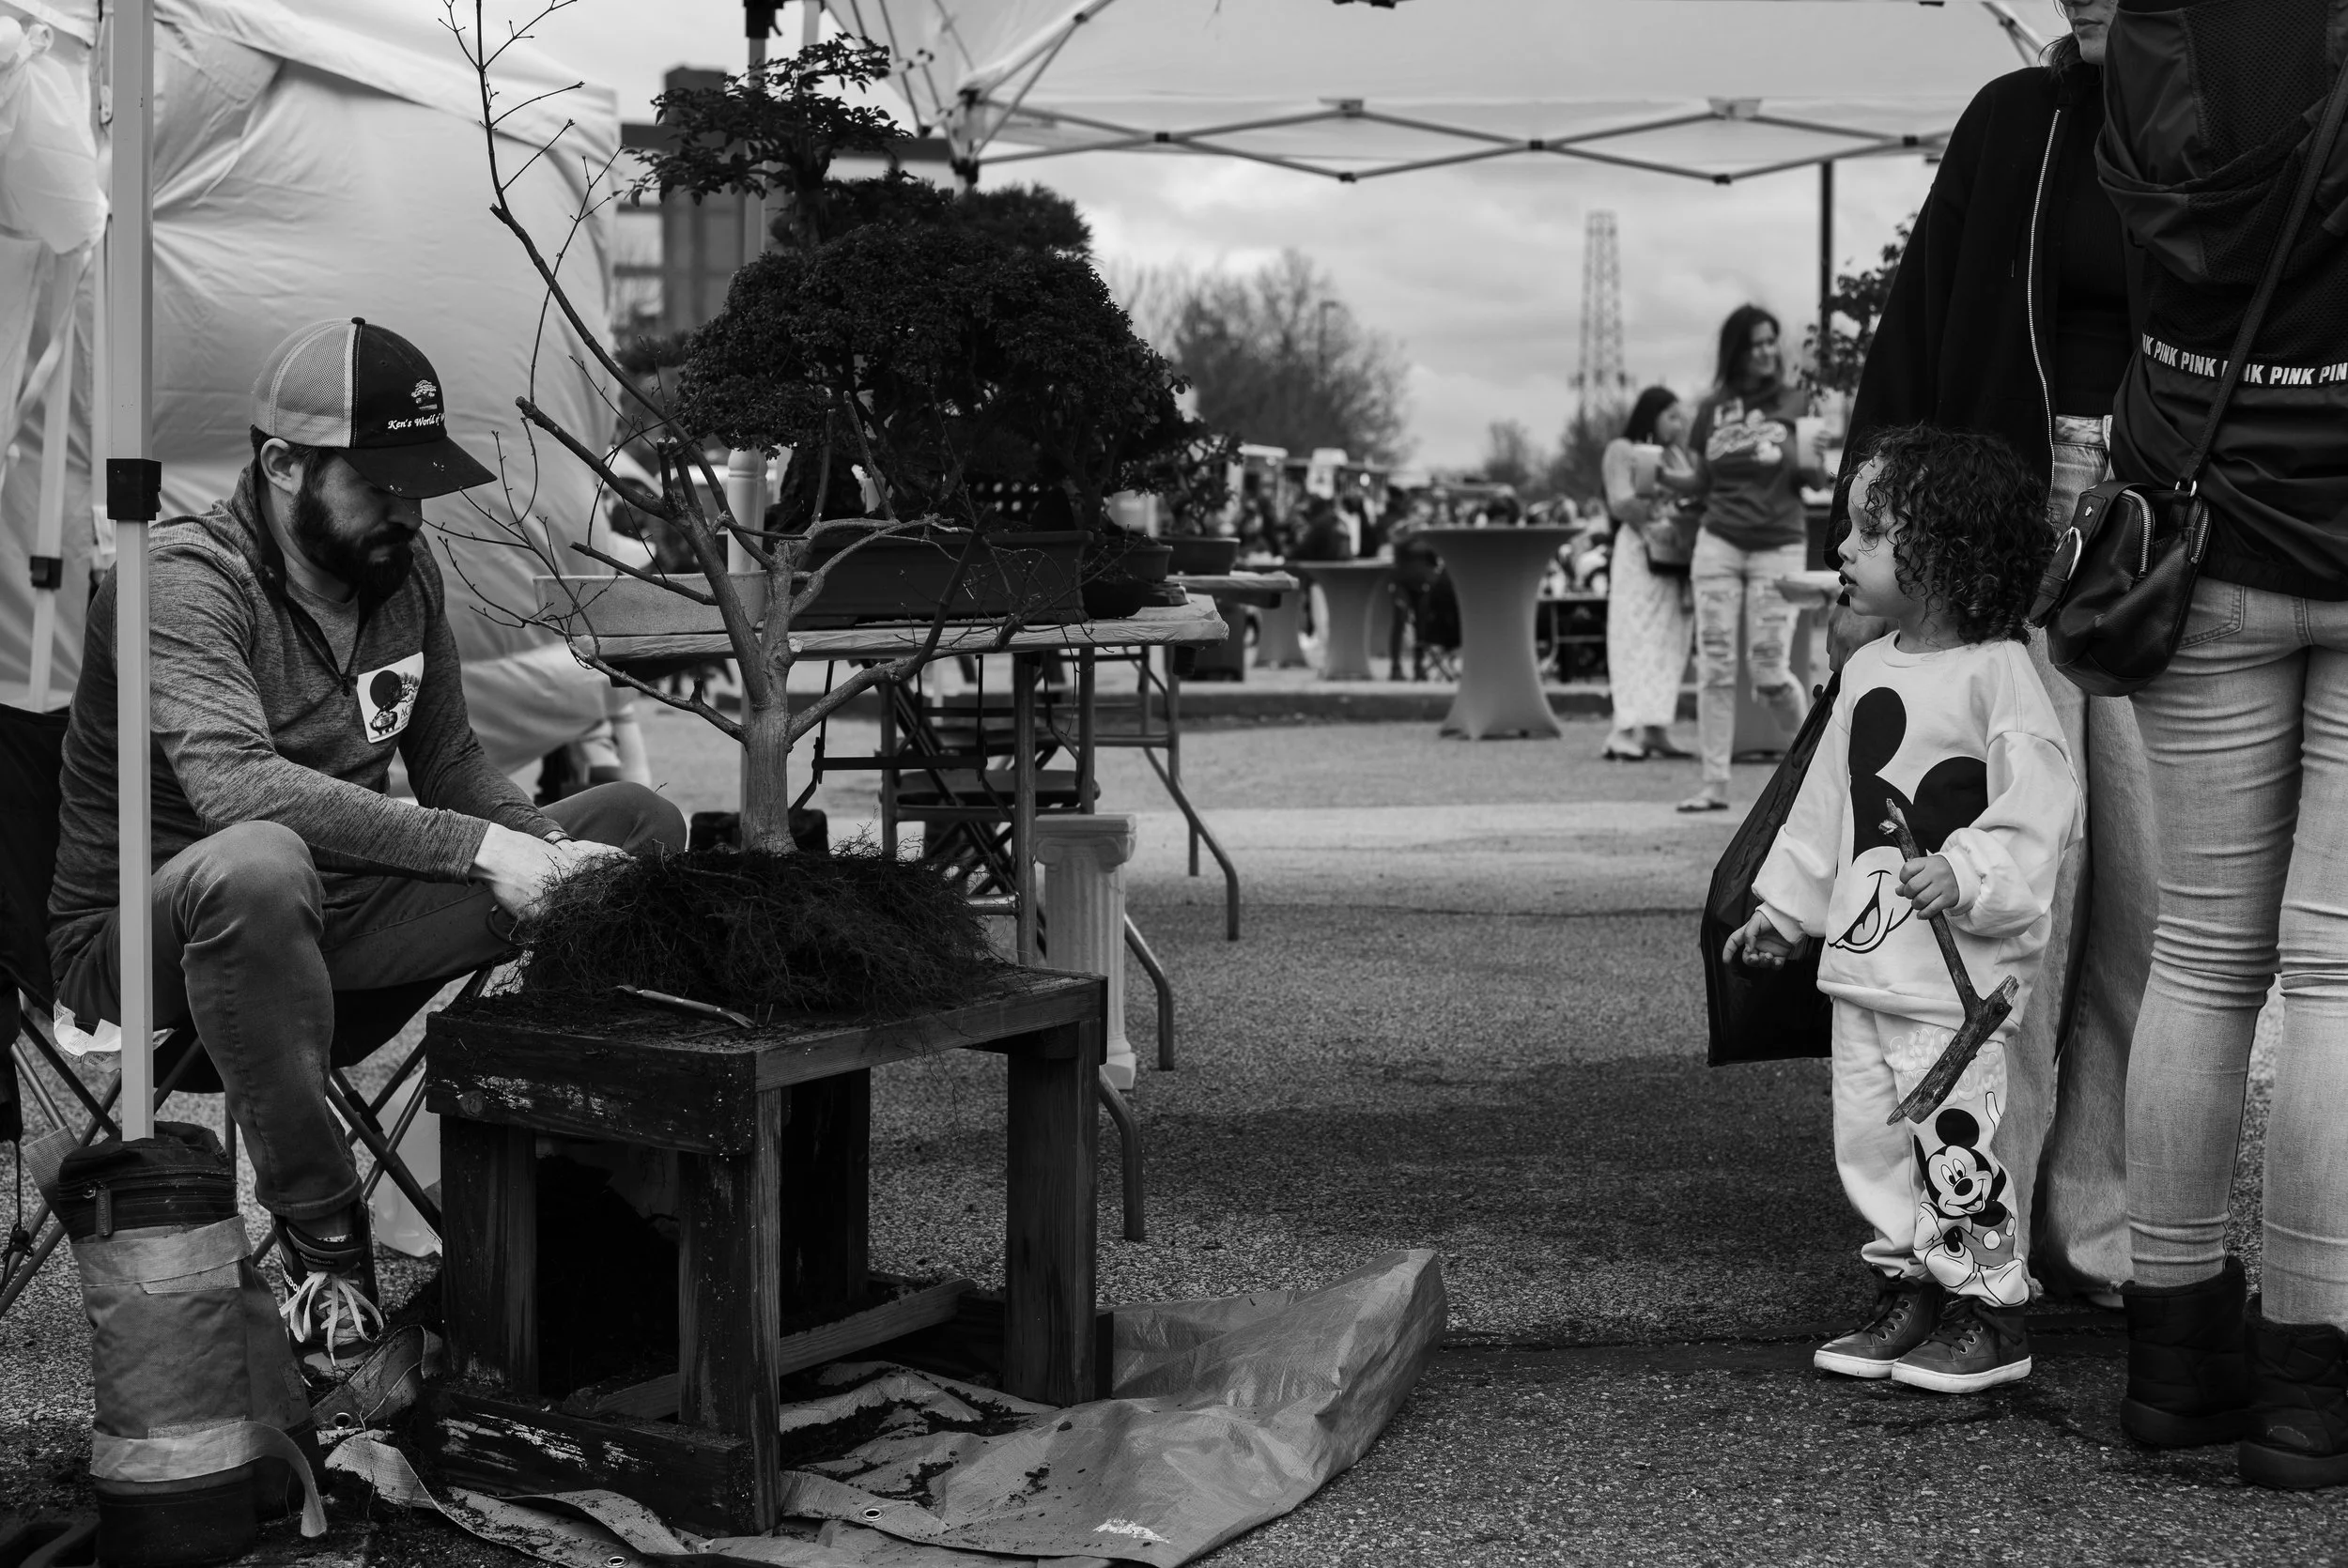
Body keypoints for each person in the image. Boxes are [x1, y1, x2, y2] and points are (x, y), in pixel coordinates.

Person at [46, 319, 687, 1368]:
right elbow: (235, 786)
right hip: (149, 940)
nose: (407, 510)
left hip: (338, 925)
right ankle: (325, 1251)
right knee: (258, 859)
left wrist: (543, 849)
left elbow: (454, 766)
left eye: (419, 482)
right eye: (379, 482)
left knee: (634, 820)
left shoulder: (400, 572)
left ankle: (585, 1189)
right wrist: (487, 855)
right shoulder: (179, 580)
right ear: (282, 464)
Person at [1833, 0, 2152, 1317]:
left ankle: (2109, 1224)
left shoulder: (2245, 135)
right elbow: (1913, 337)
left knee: (2149, 902)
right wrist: (1869, 557)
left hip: (2167, 527)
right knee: (2006, 895)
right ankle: (1977, 1226)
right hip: (2002, 529)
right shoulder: (2013, 122)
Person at [2096, 0, 2348, 1487]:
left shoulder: (2157, 25)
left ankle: (2177, 1365)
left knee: (2200, 954)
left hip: (2195, 527)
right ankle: (2317, 1379)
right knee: (2334, 965)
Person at [1725, 426, 2077, 1393]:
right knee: (1875, 1135)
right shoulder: (1870, 670)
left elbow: (2038, 810)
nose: (1843, 548)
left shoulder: (2000, 674)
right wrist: (1786, 910)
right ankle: (1914, 1280)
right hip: (1867, 966)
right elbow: (1824, 810)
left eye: (1870, 531)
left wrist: (1965, 872)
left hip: (1955, 981)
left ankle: (1987, 1307)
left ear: (1944, 551)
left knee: (1955, 1134)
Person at [1679, 305, 1831, 813]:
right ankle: (1713, 785)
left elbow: (1811, 480)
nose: (1768, 351)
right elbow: (1700, 482)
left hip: (1777, 544)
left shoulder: (1796, 401)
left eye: (1772, 341)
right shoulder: (1712, 408)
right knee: (1715, 668)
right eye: (1756, 343)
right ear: (1737, 350)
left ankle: (1810, 771)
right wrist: (1660, 477)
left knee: (1768, 669)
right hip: (1718, 543)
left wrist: (1818, 458)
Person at [1600, 388, 1698, 761]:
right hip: (1640, 554)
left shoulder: (1680, 456)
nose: (1679, 423)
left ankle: (1656, 727)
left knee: (1671, 639)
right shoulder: (1623, 450)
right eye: (1671, 415)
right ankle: (1622, 728)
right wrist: (1658, 491)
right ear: (1652, 415)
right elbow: (1621, 503)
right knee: (1634, 633)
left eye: (1681, 416)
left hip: (1676, 553)